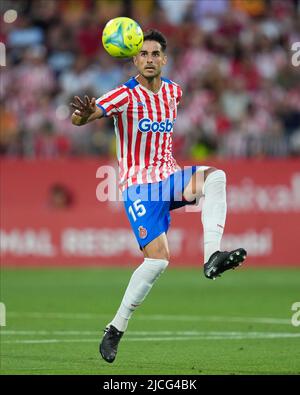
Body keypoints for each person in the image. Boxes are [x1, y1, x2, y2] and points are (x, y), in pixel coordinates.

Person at [70, 29, 247, 364]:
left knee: (216, 178)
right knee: (157, 260)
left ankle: (212, 257)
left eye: (155, 54)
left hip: (168, 177)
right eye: (143, 54)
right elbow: (84, 117)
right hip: (139, 186)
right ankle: (116, 328)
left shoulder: (174, 93)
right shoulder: (124, 95)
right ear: (135, 59)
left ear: (164, 59)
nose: (149, 59)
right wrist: (80, 114)